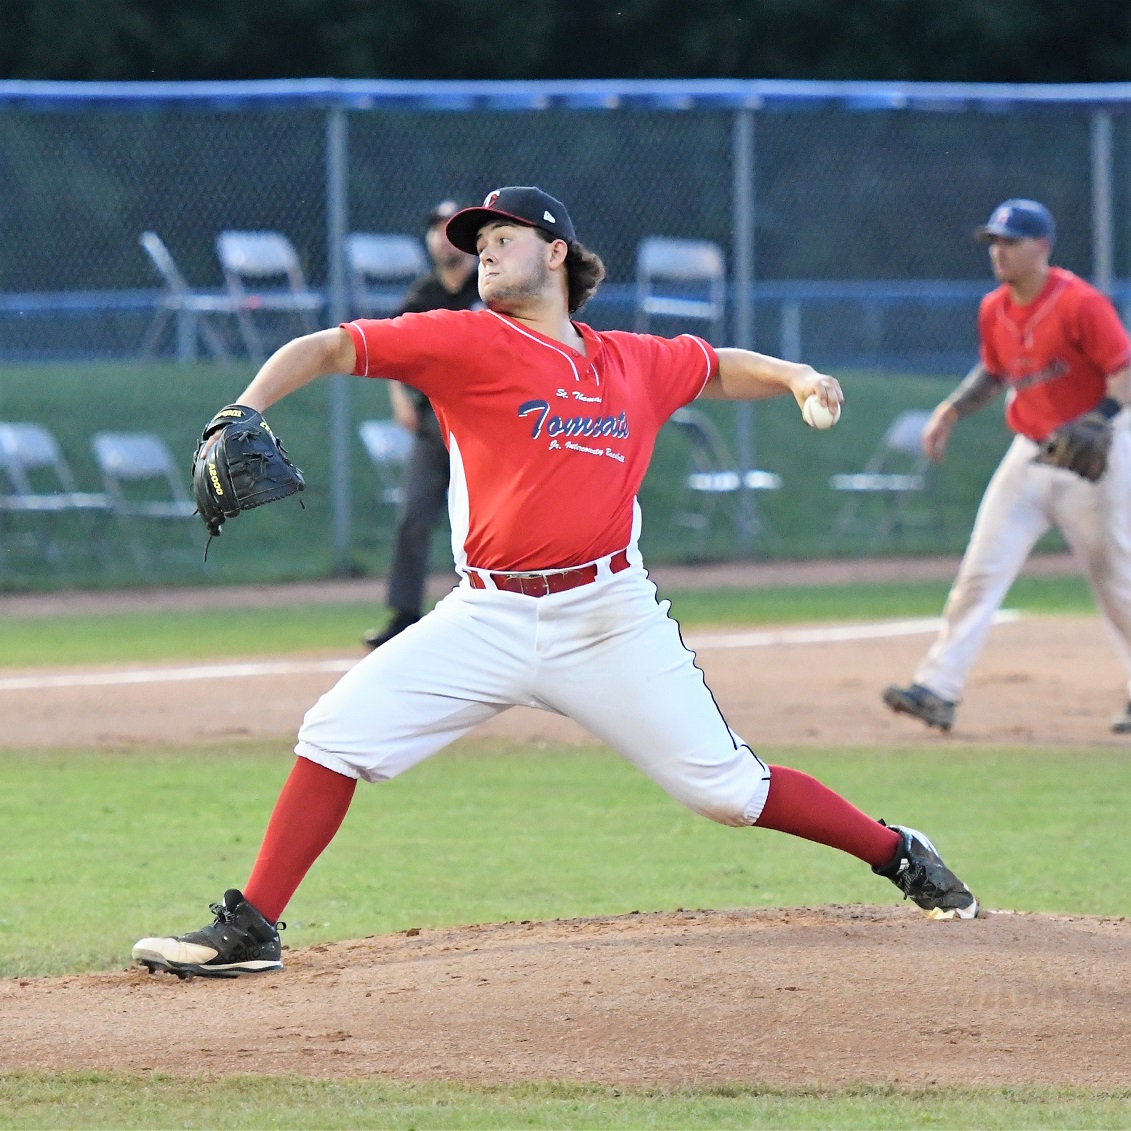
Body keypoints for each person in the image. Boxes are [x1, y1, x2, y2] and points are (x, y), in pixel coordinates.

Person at [132, 186, 979, 979]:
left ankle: (895, 849)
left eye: (503, 239)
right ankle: (254, 927)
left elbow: (714, 366)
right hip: (486, 615)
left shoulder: (631, 361)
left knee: (727, 792)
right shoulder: (463, 338)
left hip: (608, 618)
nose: (485, 254)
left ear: (558, 253)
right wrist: (241, 408)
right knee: (336, 731)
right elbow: (329, 347)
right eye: (478, 244)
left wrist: (796, 376)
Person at [883, 198, 1131, 734]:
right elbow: (993, 372)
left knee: (1118, 581)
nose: (998, 251)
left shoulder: (1080, 303)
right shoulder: (994, 307)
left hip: (1098, 452)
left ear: (1041, 247)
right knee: (981, 569)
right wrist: (949, 410)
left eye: (1010, 241)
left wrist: (1100, 417)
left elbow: (1124, 369)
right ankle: (938, 689)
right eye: (993, 241)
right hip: (1031, 452)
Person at [363, 199, 481, 650]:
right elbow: (394, 348)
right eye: (435, 228)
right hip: (435, 424)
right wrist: (399, 398)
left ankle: (487, 615)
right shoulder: (424, 295)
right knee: (413, 515)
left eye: (450, 228)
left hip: (483, 427)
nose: (441, 236)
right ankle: (405, 614)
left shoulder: (489, 291)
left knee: (482, 523)